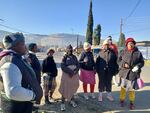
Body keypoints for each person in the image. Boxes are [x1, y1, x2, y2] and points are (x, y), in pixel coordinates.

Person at [0, 33, 43, 113]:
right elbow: (13, 92)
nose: (25, 46)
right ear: (15, 45)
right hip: (16, 108)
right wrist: (34, 95)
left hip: (22, 105)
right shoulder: (10, 62)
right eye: (23, 43)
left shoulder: (16, 58)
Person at [118, 37, 144, 109]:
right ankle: (122, 100)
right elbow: (118, 61)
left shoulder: (138, 53)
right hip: (124, 74)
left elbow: (142, 62)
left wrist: (138, 66)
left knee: (131, 89)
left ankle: (132, 102)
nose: (130, 45)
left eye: (132, 43)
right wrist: (123, 64)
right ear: (126, 44)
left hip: (133, 74)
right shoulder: (123, 52)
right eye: (129, 43)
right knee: (123, 88)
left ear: (134, 44)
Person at [59, 45, 79, 111]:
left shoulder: (74, 57)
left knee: (72, 88)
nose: (70, 50)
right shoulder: (64, 57)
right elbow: (62, 66)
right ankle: (62, 103)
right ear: (66, 50)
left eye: (71, 49)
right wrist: (70, 72)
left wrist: (75, 71)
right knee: (65, 89)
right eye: (69, 49)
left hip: (74, 76)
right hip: (66, 76)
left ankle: (71, 101)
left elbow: (78, 65)